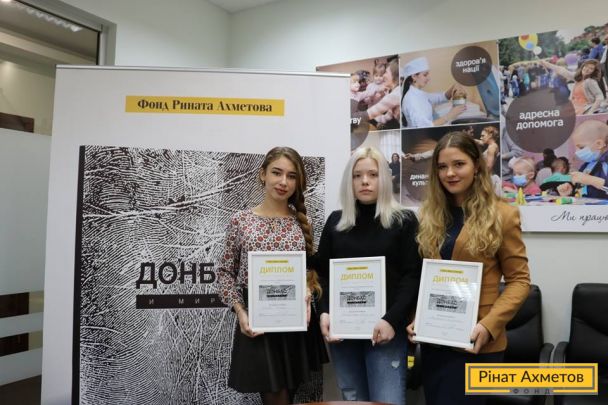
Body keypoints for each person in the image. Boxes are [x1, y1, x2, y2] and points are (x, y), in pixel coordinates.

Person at [407, 131, 530, 405]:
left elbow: (520, 281)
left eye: (459, 164)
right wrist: (418, 317)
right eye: (442, 167)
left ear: (476, 166)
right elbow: (426, 276)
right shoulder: (429, 215)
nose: (450, 173)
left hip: (477, 343)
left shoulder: (503, 215)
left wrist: (488, 326)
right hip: (435, 341)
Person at [217, 146, 327, 405]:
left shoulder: (303, 223)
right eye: (277, 173)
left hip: (294, 323)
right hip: (258, 322)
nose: (283, 182)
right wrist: (240, 311)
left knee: (288, 397)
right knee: (276, 398)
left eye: (291, 176)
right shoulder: (241, 221)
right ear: (262, 174)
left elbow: (308, 271)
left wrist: (307, 292)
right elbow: (224, 273)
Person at [313, 146, 421, 404]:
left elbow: (413, 276)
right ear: (349, 181)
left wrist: (391, 320)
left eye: (373, 174)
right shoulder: (336, 222)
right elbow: (322, 274)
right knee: (352, 399)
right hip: (343, 333)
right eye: (357, 175)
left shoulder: (404, 220)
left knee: (387, 400)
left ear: (384, 178)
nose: (364, 181)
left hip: (386, 332)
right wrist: (324, 312)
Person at [401, 56, 466, 128]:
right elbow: (423, 127)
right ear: (414, 76)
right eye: (425, 75)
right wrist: (450, 115)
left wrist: (453, 87)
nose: (428, 78)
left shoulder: (419, 93)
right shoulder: (411, 100)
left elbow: (439, 98)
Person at [557, 120, 608, 199]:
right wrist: (571, 190)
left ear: (599, 144)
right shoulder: (588, 164)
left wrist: (590, 180)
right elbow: (583, 188)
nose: (576, 152)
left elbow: (589, 181)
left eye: (581, 147)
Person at [541, 59, 605, 115]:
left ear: (594, 72)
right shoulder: (578, 77)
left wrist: (591, 111)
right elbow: (562, 70)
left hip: (583, 109)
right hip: (574, 107)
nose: (587, 69)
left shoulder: (590, 81)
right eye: (586, 66)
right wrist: (546, 64)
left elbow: (600, 96)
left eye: (591, 68)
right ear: (583, 66)